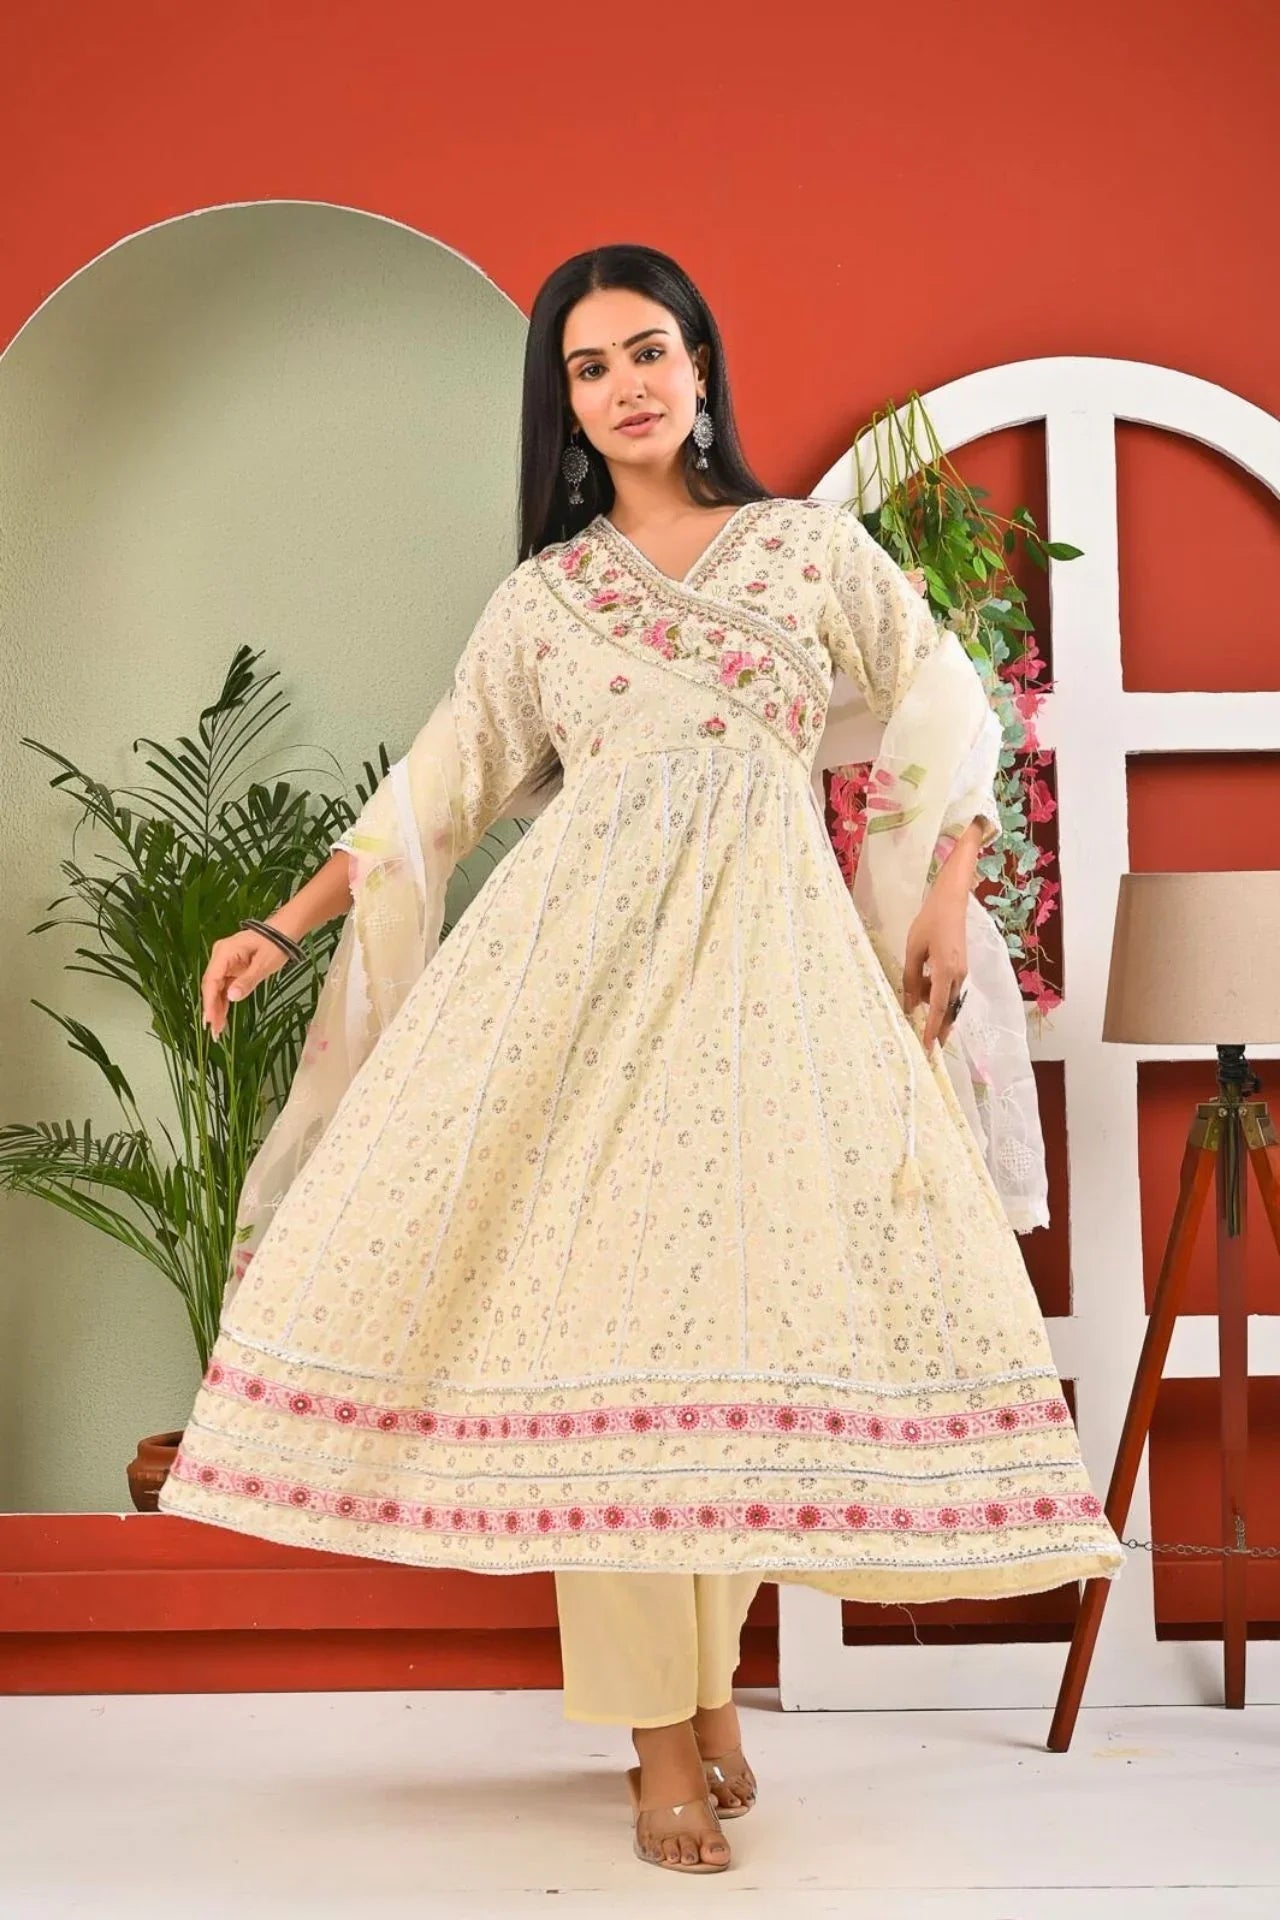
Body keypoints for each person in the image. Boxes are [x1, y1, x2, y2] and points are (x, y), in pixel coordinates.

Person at [158, 244, 1124, 1875]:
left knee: (735, 1335)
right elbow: (438, 791)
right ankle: (657, 1740)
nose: (627, 386)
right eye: (591, 366)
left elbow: (947, 706)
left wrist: (950, 894)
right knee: (608, 1350)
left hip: (770, 987)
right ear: (565, 403)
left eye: (650, 350)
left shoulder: (810, 551)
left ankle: (711, 1686)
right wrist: (286, 919)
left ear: (700, 365)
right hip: (578, 994)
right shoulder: (543, 600)